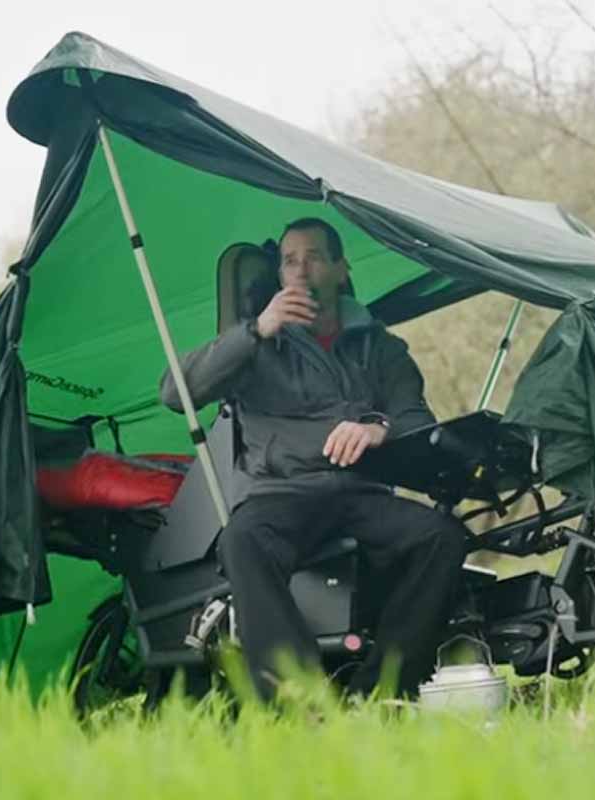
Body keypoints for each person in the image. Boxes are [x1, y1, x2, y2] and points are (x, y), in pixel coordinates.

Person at [160, 217, 467, 701]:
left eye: (315, 257)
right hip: (282, 493)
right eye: (289, 261)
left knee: (443, 537)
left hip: (362, 490)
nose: (301, 270)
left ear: (341, 269)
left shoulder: (379, 344)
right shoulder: (254, 343)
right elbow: (174, 394)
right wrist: (256, 329)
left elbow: (417, 419)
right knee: (241, 540)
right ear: (279, 275)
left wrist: (377, 429)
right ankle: (299, 697)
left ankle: (382, 691)